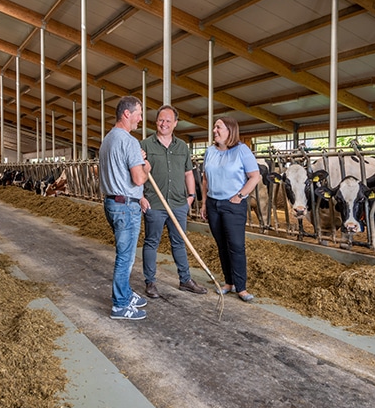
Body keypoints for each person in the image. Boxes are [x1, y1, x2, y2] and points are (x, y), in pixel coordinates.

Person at [140, 105, 207, 298]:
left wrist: (191, 197)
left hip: (178, 203)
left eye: (169, 121)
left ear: (175, 123)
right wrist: (141, 197)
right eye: (161, 120)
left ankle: (185, 280)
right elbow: (135, 173)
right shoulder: (145, 146)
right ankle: (150, 282)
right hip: (154, 203)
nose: (164, 124)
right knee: (151, 242)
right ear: (156, 122)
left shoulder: (182, 147)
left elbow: (188, 173)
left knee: (179, 242)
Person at [99, 95, 152, 320]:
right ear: (127, 113)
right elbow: (139, 178)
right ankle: (120, 305)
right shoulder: (130, 141)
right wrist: (147, 165)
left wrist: (138, 197)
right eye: (139, 113)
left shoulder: (108, 139)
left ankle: (127, 293)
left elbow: (121, 176)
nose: (140, 119)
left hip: (113, 202)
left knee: (125, 254)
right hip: (126, 208)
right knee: (126, 257)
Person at [200, 116, 261, 302]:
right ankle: (229, 282)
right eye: (214, 127)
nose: (214, 131)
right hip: (213, 203)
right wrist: (204, 203)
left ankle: (241, 287)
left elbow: (255, 176)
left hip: (233, 205)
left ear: (230, 130)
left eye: (218, 127)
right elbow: (205, 179)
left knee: (236, 245)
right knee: (222, 245)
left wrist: (240, 196)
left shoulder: (242, 150)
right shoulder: (210, 151)